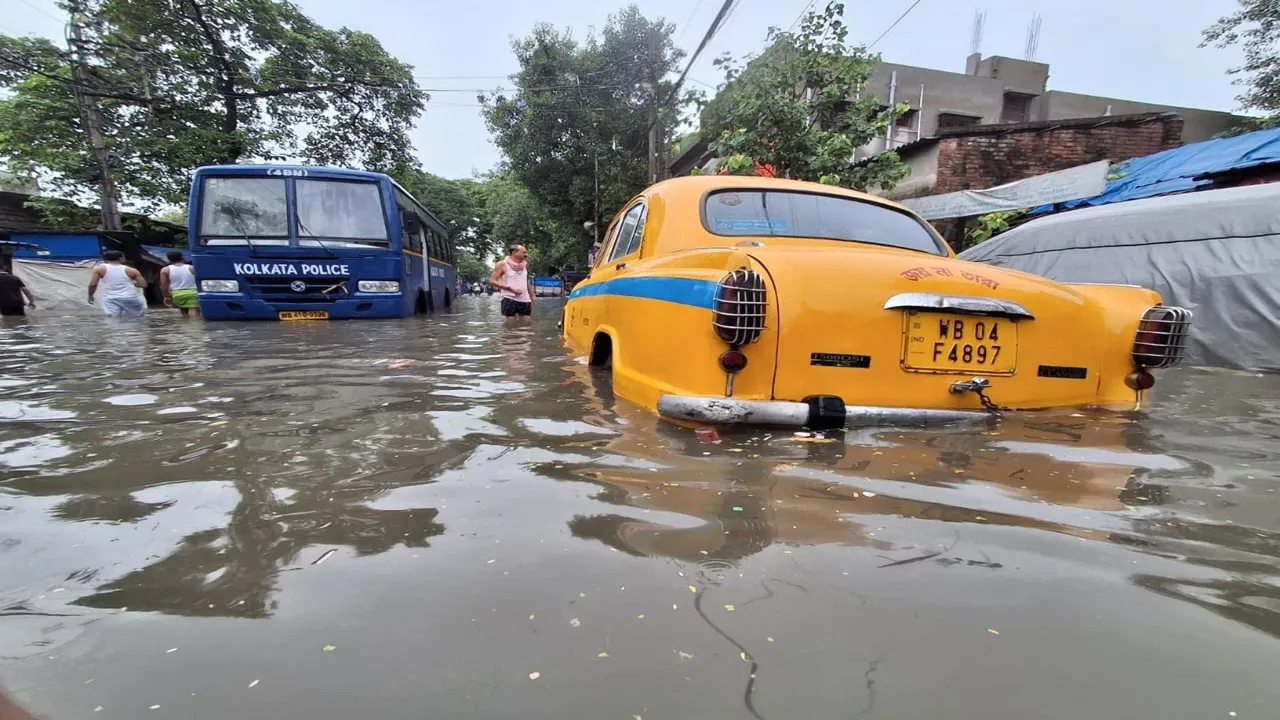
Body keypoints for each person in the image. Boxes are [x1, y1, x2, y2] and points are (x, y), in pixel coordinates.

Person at [88, 250, 147, 317]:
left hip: (110, 298)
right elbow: (143, 284)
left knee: (113, 318)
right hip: (129, 297)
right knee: (137, 318)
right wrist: (133, 283)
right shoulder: (132, 270)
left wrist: (90, 296)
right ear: (120, 258)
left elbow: (92, 284)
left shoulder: (99, 269)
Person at [489, 244, 534, 319]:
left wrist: (532, 295)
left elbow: (526, 280)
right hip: (509, 298)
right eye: (524, 252)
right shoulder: (502, 264)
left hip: (525, 299)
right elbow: (492, 280)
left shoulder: (523, 265)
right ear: (514, 252)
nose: (526, 255)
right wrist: (509, 288)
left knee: (526, 323)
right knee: (511, 324)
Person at [160, 251, 199, 317]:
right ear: (182, 257)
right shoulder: (192, 268)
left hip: (177, 294)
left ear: (168, 259)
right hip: (193, 293)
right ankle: (193, 323)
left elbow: (164, 285)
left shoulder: (165, 270)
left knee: (184, 313)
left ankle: (185, 323)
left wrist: (166, 296)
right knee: (193, 310)